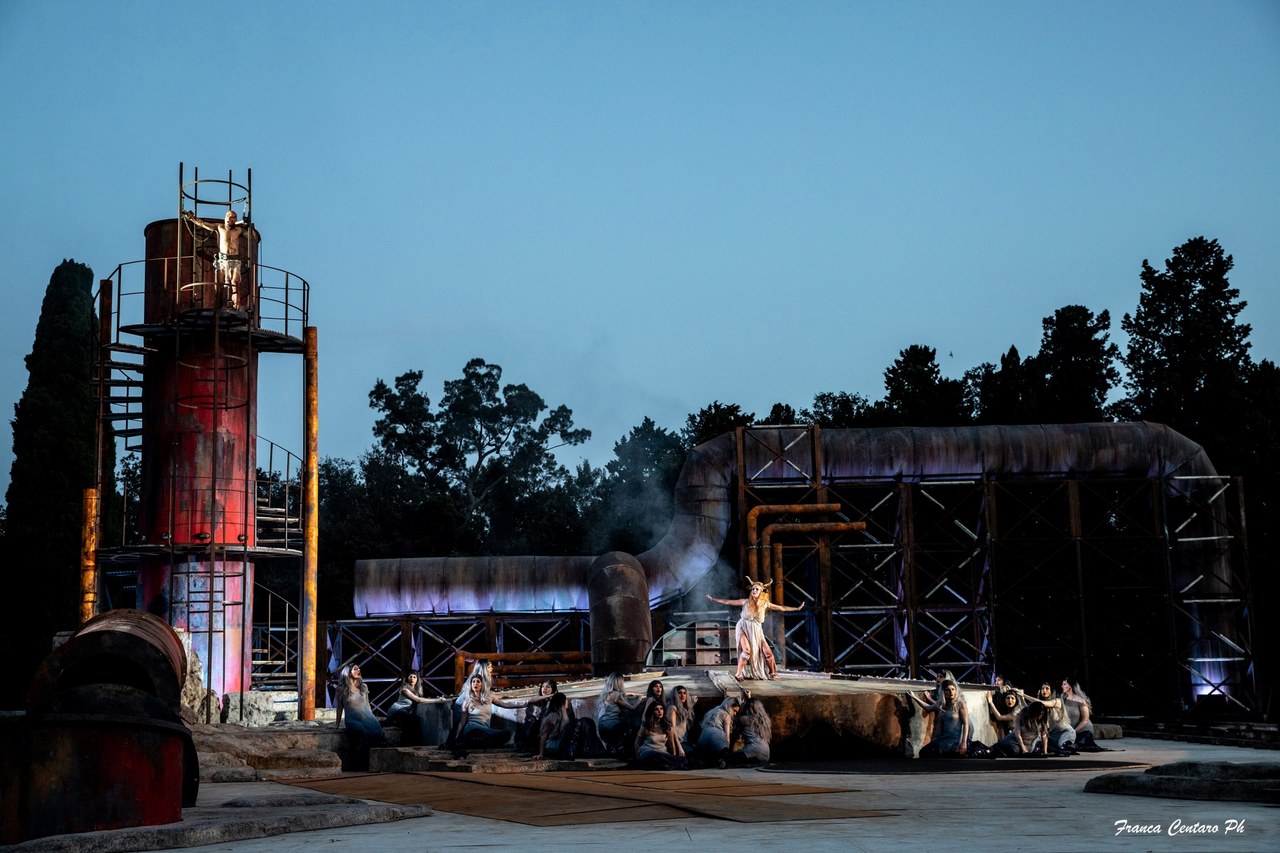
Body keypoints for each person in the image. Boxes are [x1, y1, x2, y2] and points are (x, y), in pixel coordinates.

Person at [706, 576, 805, 680]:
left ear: (761, 592)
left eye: (757, 589)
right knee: (746, 652)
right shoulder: (745, 602)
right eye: (753, 589)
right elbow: (729, 602)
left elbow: (782, 607)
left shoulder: (765, 604)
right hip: (743, 627)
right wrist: (713, 599)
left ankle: (773, 673)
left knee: (768, 653)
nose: (754, 590)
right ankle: (739, 674)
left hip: (757, 630)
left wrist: (797, 608)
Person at [183, 208, 250, 304]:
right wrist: (191, 217)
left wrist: (249, 226)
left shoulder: (239, 230)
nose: (229, 218)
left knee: (234, 282)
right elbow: (202, 224)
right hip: (222, 261)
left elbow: (251, 236)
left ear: (235, 219)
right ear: (225, 218)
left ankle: (236, 304)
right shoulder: (219, 227)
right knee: (219, 284)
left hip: (235, 260)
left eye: (232, 217)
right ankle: (218, 303)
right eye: (228, 216)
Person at [334, 664, 387, 771]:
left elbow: (367, 704)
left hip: (368, 718)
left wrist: (373, 719)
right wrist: (337, 725)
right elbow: (339, 708)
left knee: (378, 734)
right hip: (353, 719)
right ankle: (360, 766)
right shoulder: (341, 689)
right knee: (362, 733)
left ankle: (376, 765)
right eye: (355, 669)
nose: (358, 670)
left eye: (358, 668)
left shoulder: (364, 687)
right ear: (348, 672)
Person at [452, 674, 512, 755]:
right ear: (471, 684)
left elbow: (504, 703)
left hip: (484, 729)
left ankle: (483, 741)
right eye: (473, 682)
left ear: (481, 684)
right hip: (472, 728)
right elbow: (462, 722)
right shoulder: (467, 701)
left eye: (478, 682)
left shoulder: (488, 697)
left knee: (506, 734)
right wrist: (457, 736)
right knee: (477, 733)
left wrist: (523, 704)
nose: (475, 684)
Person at [910, 678, 970, 757]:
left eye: (953, 689)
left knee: (928, 753)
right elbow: (928, 708)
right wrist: (914, 697)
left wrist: (963, 743)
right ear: (943, 692)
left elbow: (966, 724)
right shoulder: (941, 704)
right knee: (924, 752)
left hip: (953, 741)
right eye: (948, 690)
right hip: (941, 739)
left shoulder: (960, 704)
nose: (951, 692)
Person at [499, 679, 558, 753]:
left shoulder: (554, 702)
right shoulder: (537, 700)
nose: (544, 688)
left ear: (553, 690)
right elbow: (530, 701)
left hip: (547, 731)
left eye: (548, 687)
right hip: (534, 730)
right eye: (543, 686)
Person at [596, 672, 645, 756]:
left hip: (602, 728)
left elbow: (618, 696)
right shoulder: (617, 695)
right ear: (619, 683)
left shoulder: (606, 694)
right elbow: (632, 708)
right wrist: (639, 698)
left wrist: (629, 694)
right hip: (611, 726)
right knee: (632, 729)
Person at [633, 700, 687, 770]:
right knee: (656, 755)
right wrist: (638, 757)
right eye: (656, 709)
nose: (660, 711)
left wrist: (673, 757)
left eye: (661, 709)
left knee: (682, 760)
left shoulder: (667, 727)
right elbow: (637, 743)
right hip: (647, 751)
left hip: (662, 752)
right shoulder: (646, 726)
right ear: (652, 712)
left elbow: (671, 744)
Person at [385, 672, 432, 745]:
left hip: (403, 711)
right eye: (410, 677)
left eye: (414, 677)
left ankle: (410, 743)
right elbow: (418, 700)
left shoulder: (417, 692)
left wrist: (430, 699)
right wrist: (437, 700)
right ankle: (410, 743)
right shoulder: (404, 690)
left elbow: (420, 699)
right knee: (413, 720)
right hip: (396, 710)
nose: (412, 679)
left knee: (414, 720)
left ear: (417, 680)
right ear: (407, 679)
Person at [697, 696, 741, 768]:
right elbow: (727, 737)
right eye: (734, 711)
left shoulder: (711, 712)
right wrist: (726, 750)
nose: (735, 714)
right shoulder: (726, 715)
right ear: (729, 707)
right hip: (716, 736)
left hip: (703, 737)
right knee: (725, 759)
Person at [729, 693, 772, 766]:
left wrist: (741, 704)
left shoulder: (744, 719)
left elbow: (737, 715)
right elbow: (753, 706)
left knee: (729, 758)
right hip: (766, 753)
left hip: (753, 750)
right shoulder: (764, 720)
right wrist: (748, 698)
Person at [1034, 681, 1077, 754]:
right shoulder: (1040, 707)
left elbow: (1042, 703)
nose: (1044, 690)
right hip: (1052, 735)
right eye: (1042, 688)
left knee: (1062, 748)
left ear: (1052, 691)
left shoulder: (1057, 701)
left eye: (1047, 688)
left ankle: (1069, 745)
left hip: (1065, 732)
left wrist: (1024, 695)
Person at [535, 692, 576, 760]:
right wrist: (541, 753)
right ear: (561, 702)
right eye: (565, 699)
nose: (567, 701)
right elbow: (544, 734)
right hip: (553, 745)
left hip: (560, 744)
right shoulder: (554, 715)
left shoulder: (565, 715)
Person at [1061, 679, 1097, 749]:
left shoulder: (1080, 700)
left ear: (1070, 686)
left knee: (1079, 743)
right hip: (1071, 730)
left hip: (1083, 730)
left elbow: (1085, 720)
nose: (1062, 686)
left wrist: (1074, 731)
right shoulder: (1063, 699)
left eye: (1064, 684)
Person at [665, 684, 698, 754]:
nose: (682, 695)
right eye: (679, 693)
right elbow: (672, 730)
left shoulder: (682, 709)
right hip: (677, 743)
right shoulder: (672, 708)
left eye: (684, 693)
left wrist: (692, 703)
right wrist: (679, 747)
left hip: (684, 741)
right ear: (675, 695)